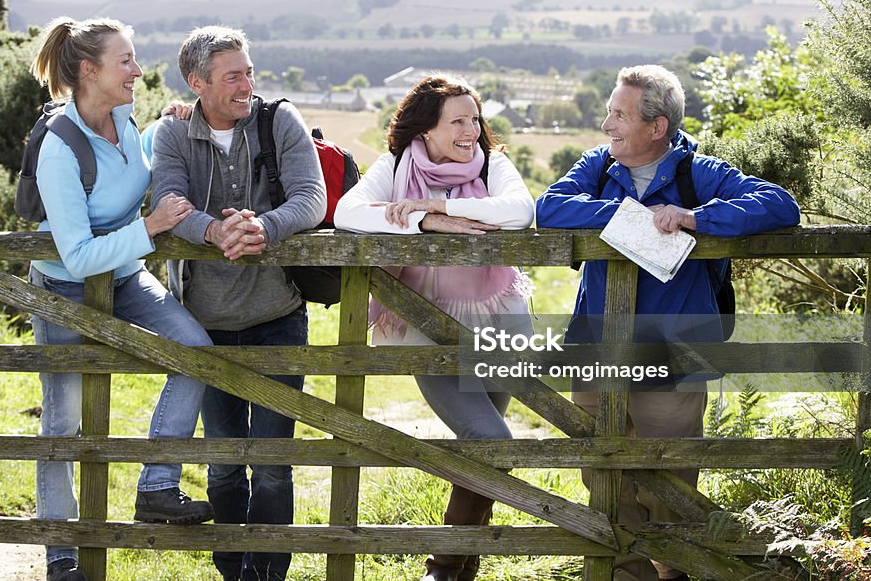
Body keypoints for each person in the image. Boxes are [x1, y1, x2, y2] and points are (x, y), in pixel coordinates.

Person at [536, 64, 800, 581]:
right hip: (596, 345)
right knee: (603, 470)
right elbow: (550, 208)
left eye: (619, 114)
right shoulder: (598, 164)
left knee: (671, 473)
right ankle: (625, 573)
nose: (607, 124)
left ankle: (672, 571)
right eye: (609, 112)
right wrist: (634, 217)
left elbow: (778, 205)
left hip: (672, 349)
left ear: (657, 127)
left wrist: (694, 218)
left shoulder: (696, 172)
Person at [27, 17, 216, 581]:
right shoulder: (59, 147)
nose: (138, 70)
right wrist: (153, 227)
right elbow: (79, 255)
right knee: (62, 422)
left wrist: (173, 126)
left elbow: (139, 172)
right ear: (90, 71)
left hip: (127, 275)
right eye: (126, 61)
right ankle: (61, 557)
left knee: (193, 352)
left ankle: (157, 487)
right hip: (64, 286)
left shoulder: (126, 121)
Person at [334, 74, 535, 581]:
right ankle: (446, 565)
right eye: (458, 121)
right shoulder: (397, 165)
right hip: (428, 324)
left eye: (475, 118)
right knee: (490, 441)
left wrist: (438, 204)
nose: (471, 130)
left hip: (499, 317)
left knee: (484, 447)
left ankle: (454, 569)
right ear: (425, 130)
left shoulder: (491, 163)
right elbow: (348, 212)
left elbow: (519, 211)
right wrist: (423, 224)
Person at [148, 25, 326, 581]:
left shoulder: (279, 120)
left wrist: (262, 229)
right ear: (197, 83)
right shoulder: (173, 132)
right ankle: (233, 571)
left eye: (249, 71)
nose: (246, 83)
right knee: (224, 465)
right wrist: (214, 234)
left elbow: (312, 197)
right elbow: (165, 200)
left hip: (278, 316)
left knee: (273, 464)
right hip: (205, 323)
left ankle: (268, 574)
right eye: (232, 76)